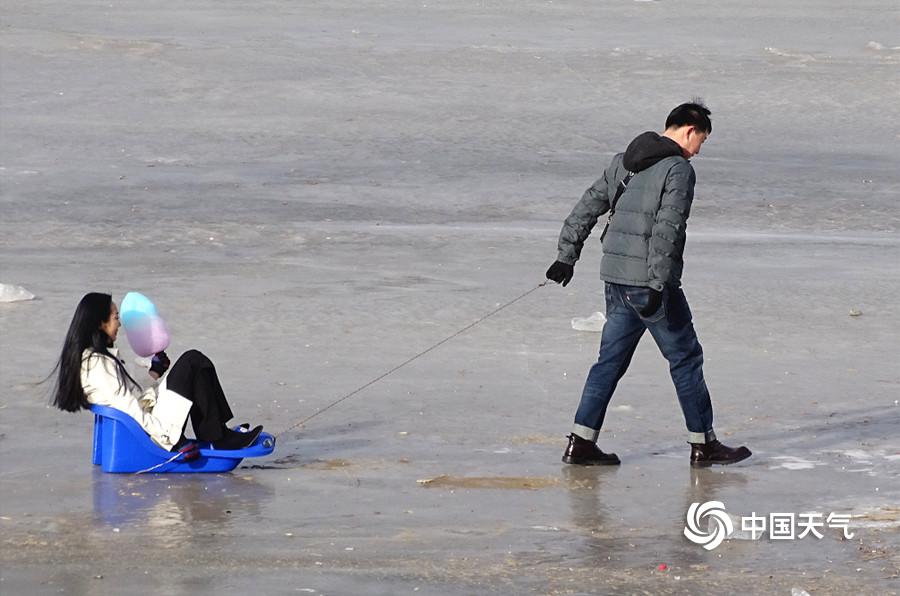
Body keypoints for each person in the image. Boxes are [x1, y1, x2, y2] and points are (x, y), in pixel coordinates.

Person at [545, 101, 751, 467]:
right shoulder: (677, 170)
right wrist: (658, 285)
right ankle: (704, 446)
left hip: (616, 281)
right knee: (686, 360)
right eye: (702, 140)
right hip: (650, 286)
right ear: (690, 130)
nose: (700, 149)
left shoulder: (623, 160)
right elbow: (668, 231)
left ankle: (581, 442)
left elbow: (585, 207)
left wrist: (566, 257)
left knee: (608, 363)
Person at [51, 292, 262, 451]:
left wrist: (154, 373)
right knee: (193, 360)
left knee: (194, 364)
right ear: (101, 324)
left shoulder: (95, 359)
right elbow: (129, 408)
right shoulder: (97, 364)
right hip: (150, 432)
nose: (120, 323)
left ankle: (218, 433)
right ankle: (218, 438)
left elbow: (128, 394)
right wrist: (171, 439)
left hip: (148, 419)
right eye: (115, 317)